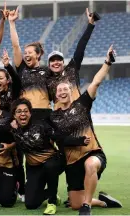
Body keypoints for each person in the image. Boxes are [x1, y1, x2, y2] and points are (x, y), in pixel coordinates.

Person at [49, 45, 122, 215]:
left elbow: (96, 81)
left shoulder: (82, 104)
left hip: (92, 154)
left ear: (70, 91)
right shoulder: (53, 117)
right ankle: (102, 202)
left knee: (90, 166)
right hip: (72, 162)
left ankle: (87, 206)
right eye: (59, 90)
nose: (62, 92)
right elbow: (57, 138)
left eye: (65, 89)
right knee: (75, 204)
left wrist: (107, 62)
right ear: (56, 95)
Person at [12, 98, 69, 215]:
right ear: (14, 115)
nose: (22, 114)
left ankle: (52, 202)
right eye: (19, 111)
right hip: (34, 167)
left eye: (25, 111)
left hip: (52, 161)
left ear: (30, 113)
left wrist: (80, 141)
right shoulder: (13, 128)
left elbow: (59, 137)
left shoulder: (41, 125)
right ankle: (50, 193)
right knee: (30, 204)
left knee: (50, 166)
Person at [47, 8, 98, 110]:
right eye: (52, 60)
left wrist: (90, 25)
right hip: (59, 120)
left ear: (63, 62)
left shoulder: (71, 70)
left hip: (77, 116)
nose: (56, 62)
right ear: (48, 65)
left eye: (58, 60)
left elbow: (80, 48)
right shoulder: (46, 80)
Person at [8, 8, 50, 121]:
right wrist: (11, 23)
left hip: (45, 113)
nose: (26, 55)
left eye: (29, 52)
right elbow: (16, 46)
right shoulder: (22, 68)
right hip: (26, 114)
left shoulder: (47, 70)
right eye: (25, 53)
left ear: (38, 54)